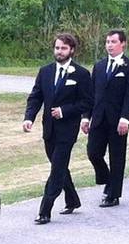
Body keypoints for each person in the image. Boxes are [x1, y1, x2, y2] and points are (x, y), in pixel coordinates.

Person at [23, 33, 94, 224]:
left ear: (72, 50)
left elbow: (87, 102)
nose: (59, 51)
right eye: (57, 48)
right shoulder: (45, 71)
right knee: (59, 166)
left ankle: (45, 210)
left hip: (67, 131)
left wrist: (65, 111)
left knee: (56, 169)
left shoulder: (81, 74)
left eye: (63, 48)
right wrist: (29, 117)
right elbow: (36, 96)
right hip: (49, 129)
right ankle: (72, 199)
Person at [81, 29, 129, 207]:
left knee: (117, 157)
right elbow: (91, 94)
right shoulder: (99, 66)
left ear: (122, 44)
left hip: (118, 120)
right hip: (98, 118)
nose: (109, 45)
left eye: (113, 42)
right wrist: (86, 117)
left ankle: (113, 194)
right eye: (107, 42)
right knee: (93, 153)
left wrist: (125, 118)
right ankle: (107, 179)